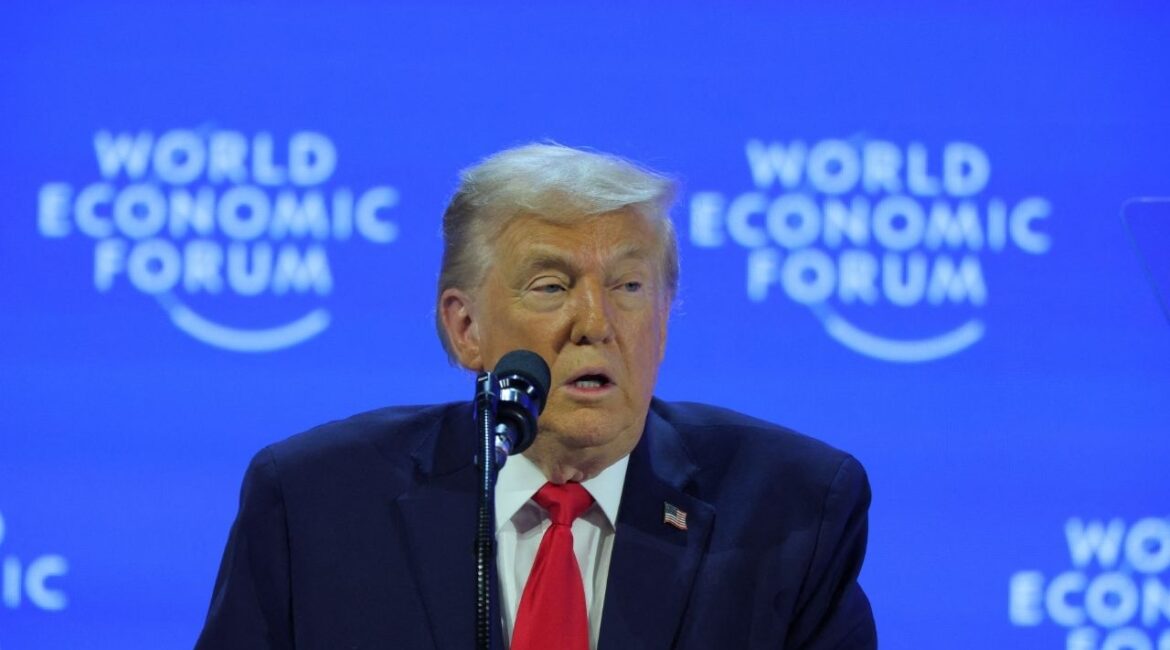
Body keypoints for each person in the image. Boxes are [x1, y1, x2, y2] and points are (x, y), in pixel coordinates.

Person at [196, 143, 876, 649]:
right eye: (551, 286)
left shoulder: (791, 509)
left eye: (630, 287)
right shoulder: (316, 503)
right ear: (465, 329)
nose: (596, 323)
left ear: (665, 316)